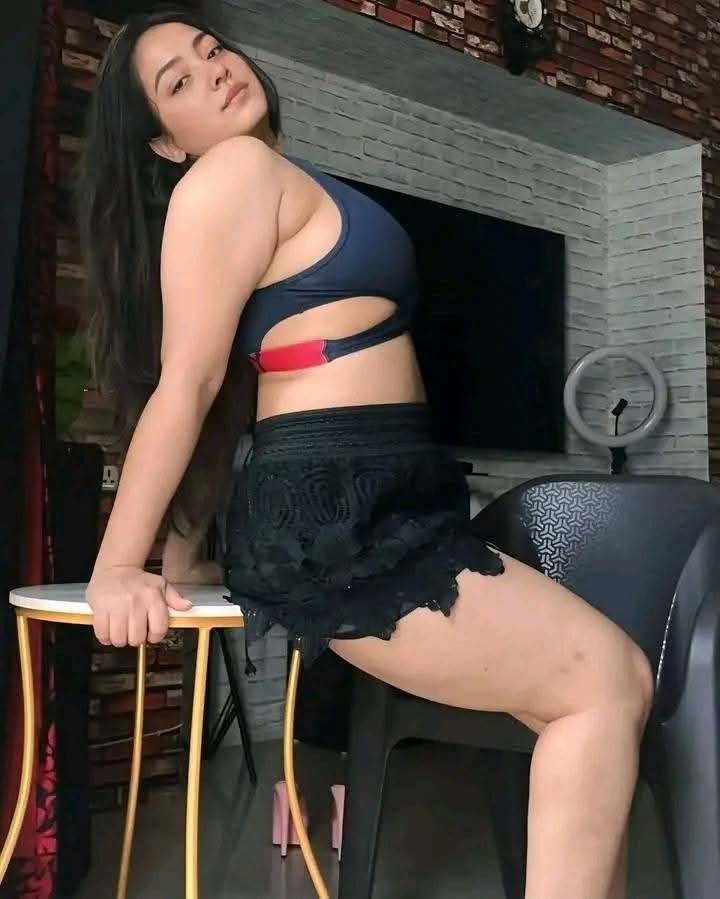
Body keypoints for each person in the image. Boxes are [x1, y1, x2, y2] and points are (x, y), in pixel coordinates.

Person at [78, 7, 653, 898]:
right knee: (608, 680)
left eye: (212, 48)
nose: (216, 68)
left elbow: (228, 400)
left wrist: (186, 553)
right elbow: (188, 382)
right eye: (179, 81)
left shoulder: (270, 177)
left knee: (583, 706)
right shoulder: (230, 172)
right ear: (164, 141)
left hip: (383, 494)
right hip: (338, 503)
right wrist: (119, 565)